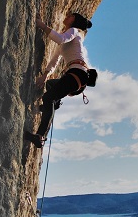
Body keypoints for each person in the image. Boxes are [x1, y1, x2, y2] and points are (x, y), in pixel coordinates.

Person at [24, 11, 93, 148]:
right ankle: (54, 105)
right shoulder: (66, 41)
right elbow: (55, 61)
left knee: (48, 97)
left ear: (74, 19)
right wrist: (44, 76)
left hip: (76, 75)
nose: (66, 17)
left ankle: (39, 136)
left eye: (70, 15)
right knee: (50, 84)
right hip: (77, 77)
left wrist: (41, 25)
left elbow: (60, 38)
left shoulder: (74, 31)